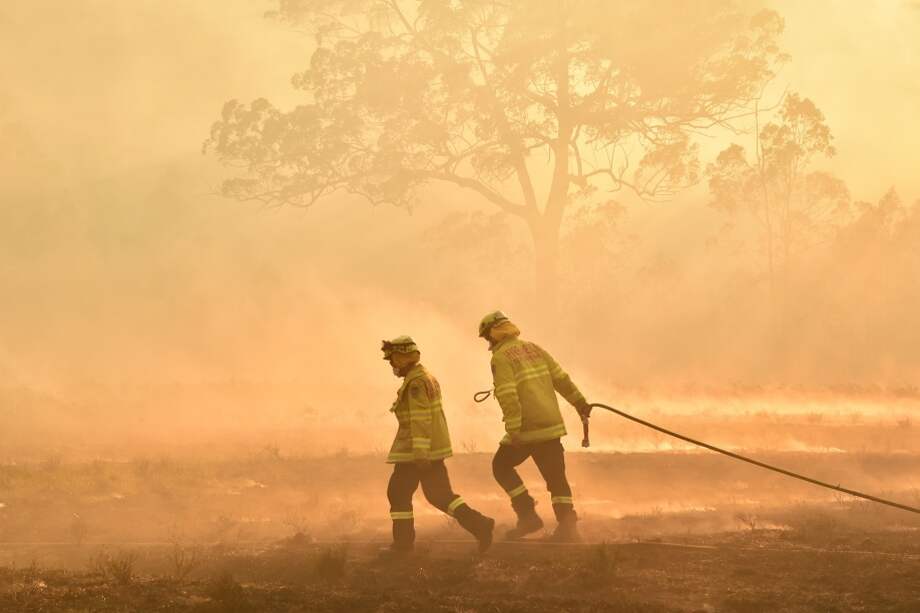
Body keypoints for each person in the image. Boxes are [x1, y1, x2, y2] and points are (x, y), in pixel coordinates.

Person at [478, 311, 591, 542]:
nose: (487, 343)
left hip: (527, 428)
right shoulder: (534, 349)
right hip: (550, 425)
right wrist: (580, 403)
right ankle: (568, 527)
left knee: (501, 467)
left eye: (487, 337)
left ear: (493, 334)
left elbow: (508, 394)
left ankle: (528, 515)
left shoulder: (500, 358)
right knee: (556, 478)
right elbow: (561, 379)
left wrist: (513, 429)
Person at [382, 335, 495, 553]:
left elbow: (420, 418)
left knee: (398, 493)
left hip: (416, 452)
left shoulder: (416, 383)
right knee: (440, 496)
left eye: (393, 359)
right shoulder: (426, 377)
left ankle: (402, 545)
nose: (392, 365)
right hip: (429, 450)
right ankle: (480, 524)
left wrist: (420, 452)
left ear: (403, 357)